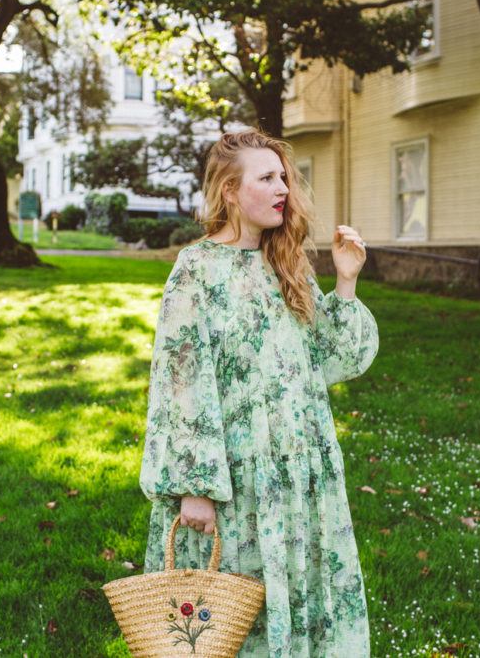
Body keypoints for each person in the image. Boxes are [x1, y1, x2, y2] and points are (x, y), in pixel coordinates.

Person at [138, 128, 379, 657]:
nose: (283, 189)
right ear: (229, 190)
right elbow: (181, 378)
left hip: (298, 469)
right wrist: (195, 485)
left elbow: (334, 357)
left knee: (296, 597)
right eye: (267, 178)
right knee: (230, 621)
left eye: (283, 177)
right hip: (236, 477)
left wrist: (345, 281)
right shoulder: (197, 269)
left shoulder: (286, 264)